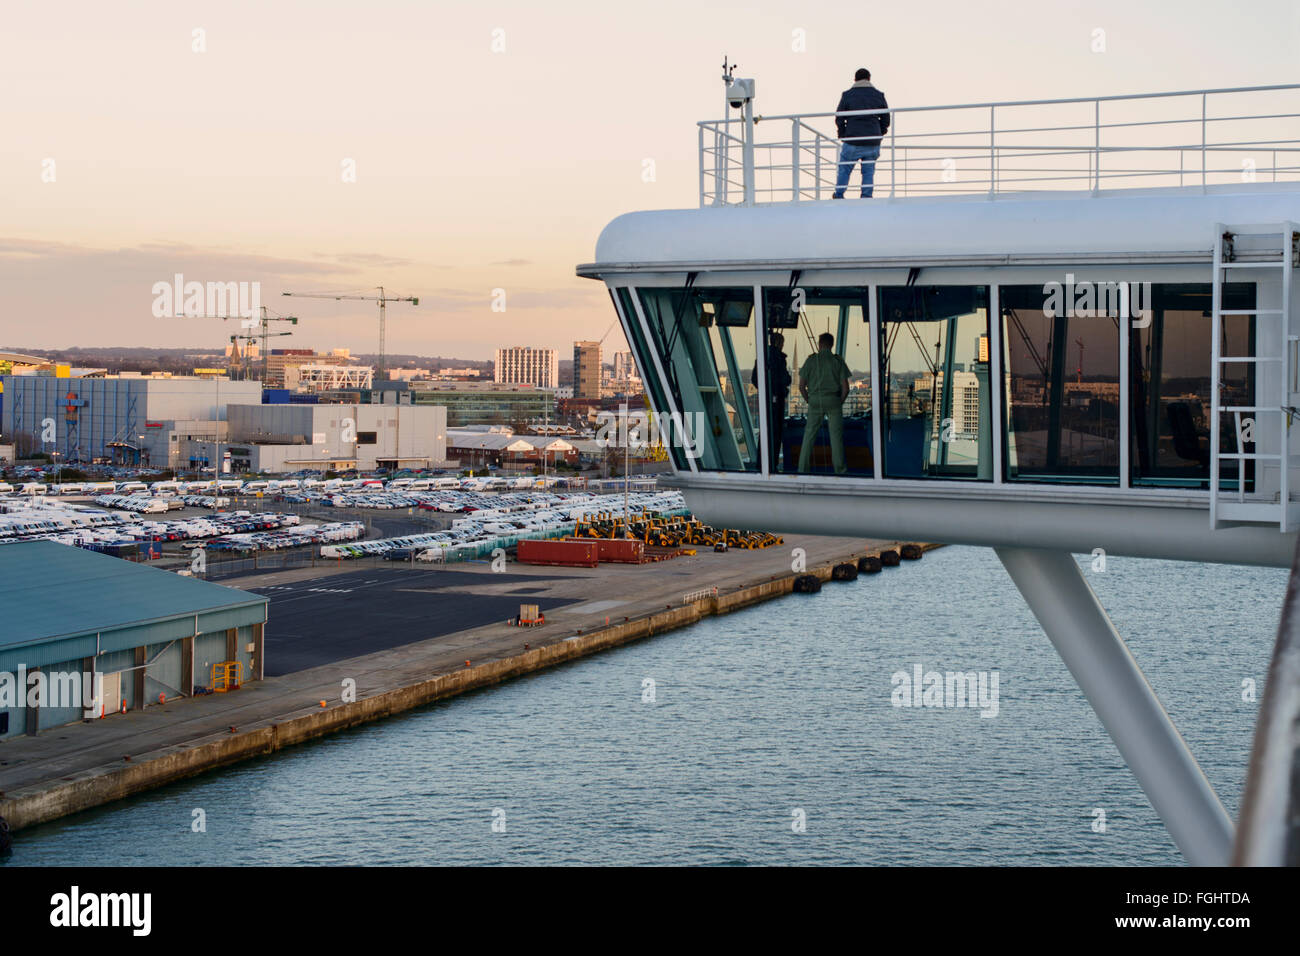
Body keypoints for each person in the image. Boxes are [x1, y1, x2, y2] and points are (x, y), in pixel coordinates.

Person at [798, 332, 851, 474]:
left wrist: (809, 400)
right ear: (832, 344)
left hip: (815, 400)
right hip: (833, 400)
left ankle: (802, 469)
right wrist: (839, 402)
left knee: (809, 436)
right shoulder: (838, 361)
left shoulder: (811, 360)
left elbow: (801, 386)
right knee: (836, 437)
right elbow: (846, 388)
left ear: (819, 344)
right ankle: (840, 470)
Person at [832, 68, 889, 199]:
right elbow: (886, 118)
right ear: (869, 79)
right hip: (872, 140)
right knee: (868, 171)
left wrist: (843, 134)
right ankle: (866, 196)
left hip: (852, 139)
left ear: (855, 80)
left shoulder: (847, 95)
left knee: (845, 169)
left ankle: (839, 195)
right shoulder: (878, 95)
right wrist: (880, 133)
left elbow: (839, 117)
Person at [751, 333, 792, 471]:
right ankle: (772, 464)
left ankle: (761, 463)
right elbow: (785, 379)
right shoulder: (780, 358)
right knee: (776, 432)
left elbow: (754, 379)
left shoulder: (762, 357)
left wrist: (765, 390)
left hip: (766, 399)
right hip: (777, 401)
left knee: (765, 432)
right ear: (779, 343)